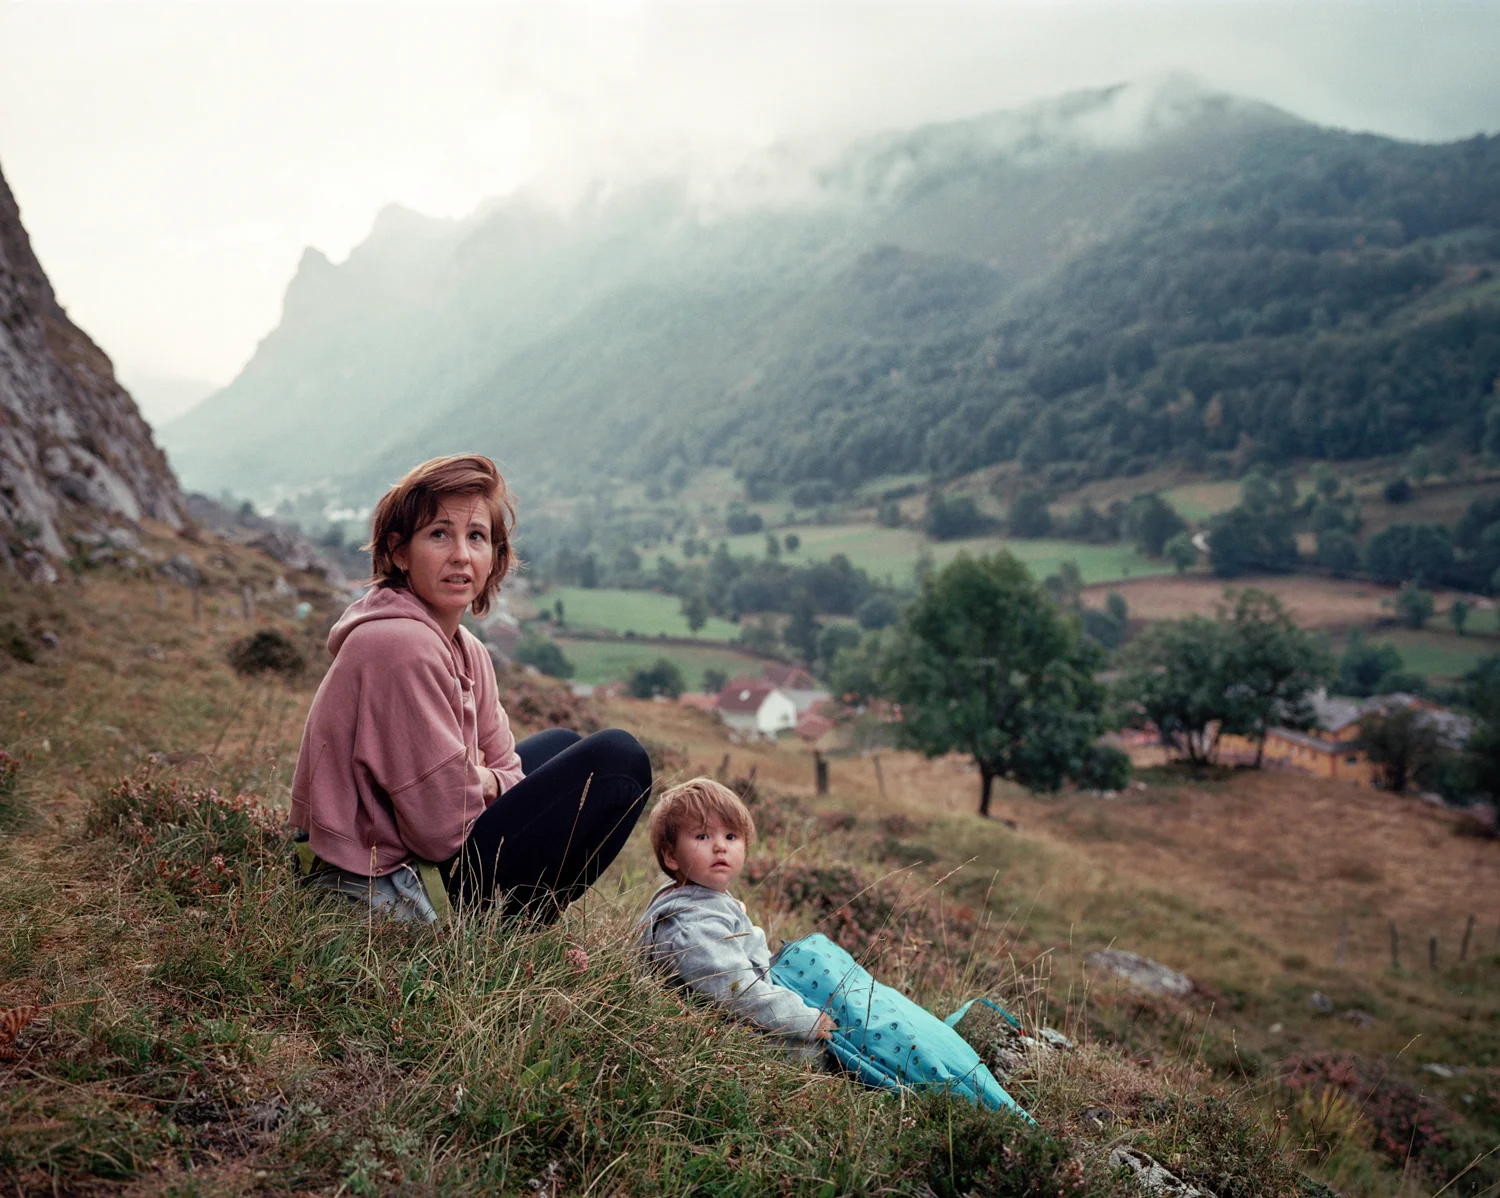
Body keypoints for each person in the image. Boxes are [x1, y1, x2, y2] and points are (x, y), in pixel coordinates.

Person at [290, 454, 652, 923]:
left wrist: (483, 780)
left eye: (476, 537)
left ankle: (503, 923)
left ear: (494, 557)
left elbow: (506, 768)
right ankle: (499, 928)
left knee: (563, 745)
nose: (461, 554)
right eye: (439, 534)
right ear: (400, 551)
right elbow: (440, 832)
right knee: (619, 761)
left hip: (419, 856)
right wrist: (481, 783)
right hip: (378, 882)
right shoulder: (399, 645)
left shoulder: (467, 649)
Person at [637, 778, 834, 1055]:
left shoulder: (702, 900)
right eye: (702, 836)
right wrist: (808, 1021)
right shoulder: (694, 928)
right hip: (727, 1038)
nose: (720, 847)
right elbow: (741, 994)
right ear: (671, 856)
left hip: (748, 1013)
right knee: (829, 1053)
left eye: (731, 837)